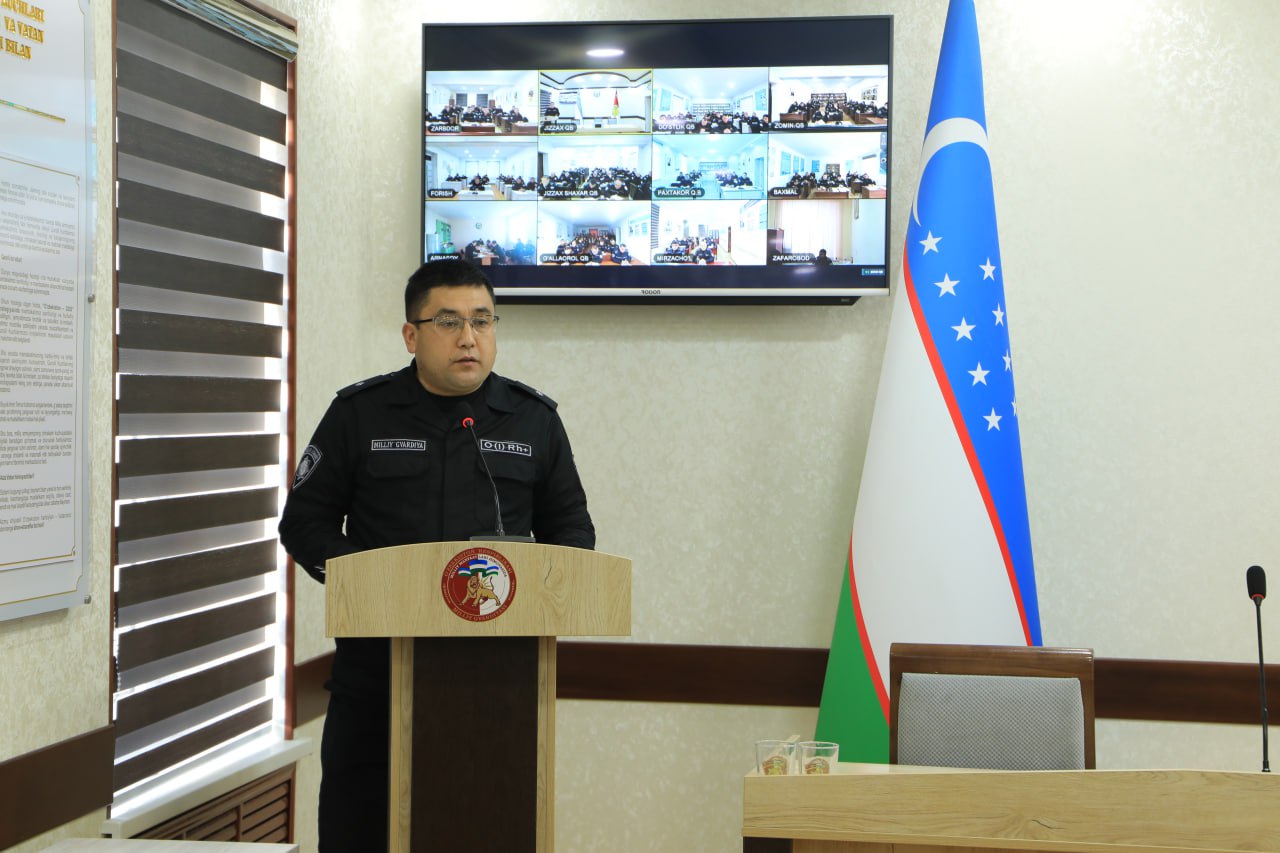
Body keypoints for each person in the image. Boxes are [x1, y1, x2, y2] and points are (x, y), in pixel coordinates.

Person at [279, 258, 595, 851]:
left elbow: (573, 535)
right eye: (449, 322)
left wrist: (539, 591)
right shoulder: (360, 414)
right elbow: (305, 523)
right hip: (376, 678)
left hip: (499, 685)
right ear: (411, 335)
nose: (469, 337)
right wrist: (374, 585)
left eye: (482, 320)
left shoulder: (533, 421)